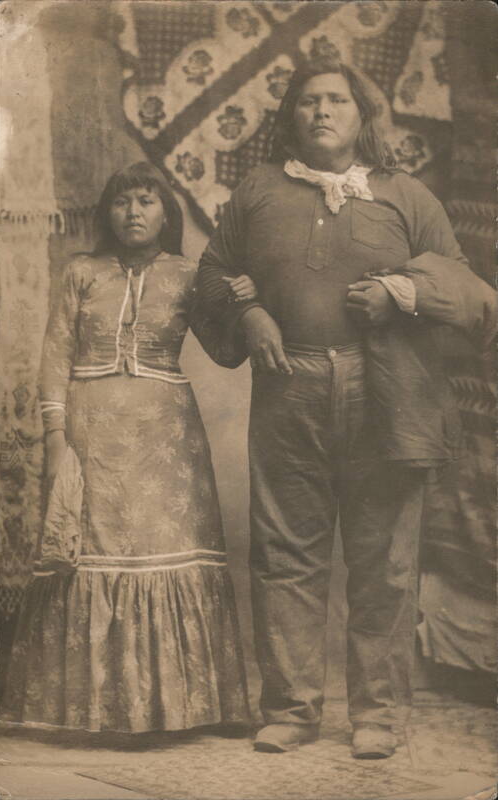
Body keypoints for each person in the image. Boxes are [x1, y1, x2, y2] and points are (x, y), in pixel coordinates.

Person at [197, 60, 496, 757]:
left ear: (363, 114)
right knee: (283, 553)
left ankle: (378, 716)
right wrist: (249, 314)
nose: (321, 111)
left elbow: (470, 291)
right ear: (289, 117)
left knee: (383, 557)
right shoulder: (258, 192)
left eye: (336, 100)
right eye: (307, 101)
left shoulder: (404, 194)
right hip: (288, 386)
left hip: (384, 391)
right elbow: (213, 272)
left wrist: (401, 291)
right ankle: (292, 709)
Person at [0, 161, 253, 734]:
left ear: (167, 213)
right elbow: (55, 356)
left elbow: (228, 351)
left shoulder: (190, 275)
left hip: (168, 439)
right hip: (91, 433)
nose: (133, 212)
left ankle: (179, 712)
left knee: (165, 553)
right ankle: (91, 713)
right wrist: (58, 439)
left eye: (146, 201)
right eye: (122, 202)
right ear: (106, 213)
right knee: (86, 552)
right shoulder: (81, 272)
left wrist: (241, 301)